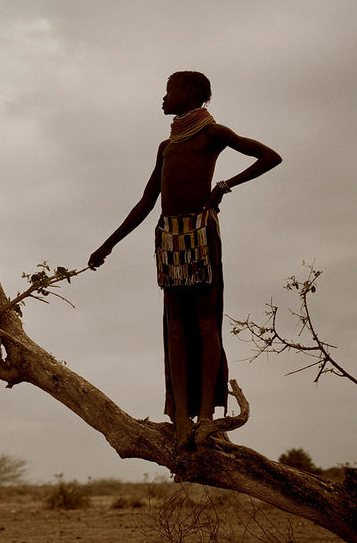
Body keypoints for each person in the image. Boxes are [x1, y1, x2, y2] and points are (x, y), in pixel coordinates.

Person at [87, 71, 281, 448]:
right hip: (169, 235)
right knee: (175, 326)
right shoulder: (166, 146)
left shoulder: (213, 134)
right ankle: (180, 417)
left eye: (168, 90)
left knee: (207, 323)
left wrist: (224, 186)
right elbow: (146, 203)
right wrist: (107, 245)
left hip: (200, 231)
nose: (162, 98)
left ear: (189, 91)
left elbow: (270, 157)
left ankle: (206, 415)